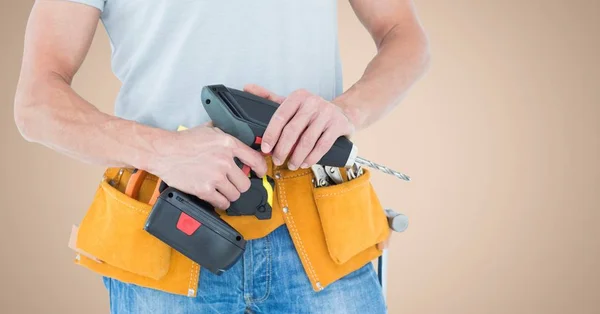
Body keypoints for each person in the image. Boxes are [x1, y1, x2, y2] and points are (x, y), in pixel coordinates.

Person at [14, 0, 430, 313]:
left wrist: (348, 111)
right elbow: (36, 103)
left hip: (320, 236)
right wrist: (164, 151)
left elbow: (404, 34)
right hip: (173, 231)